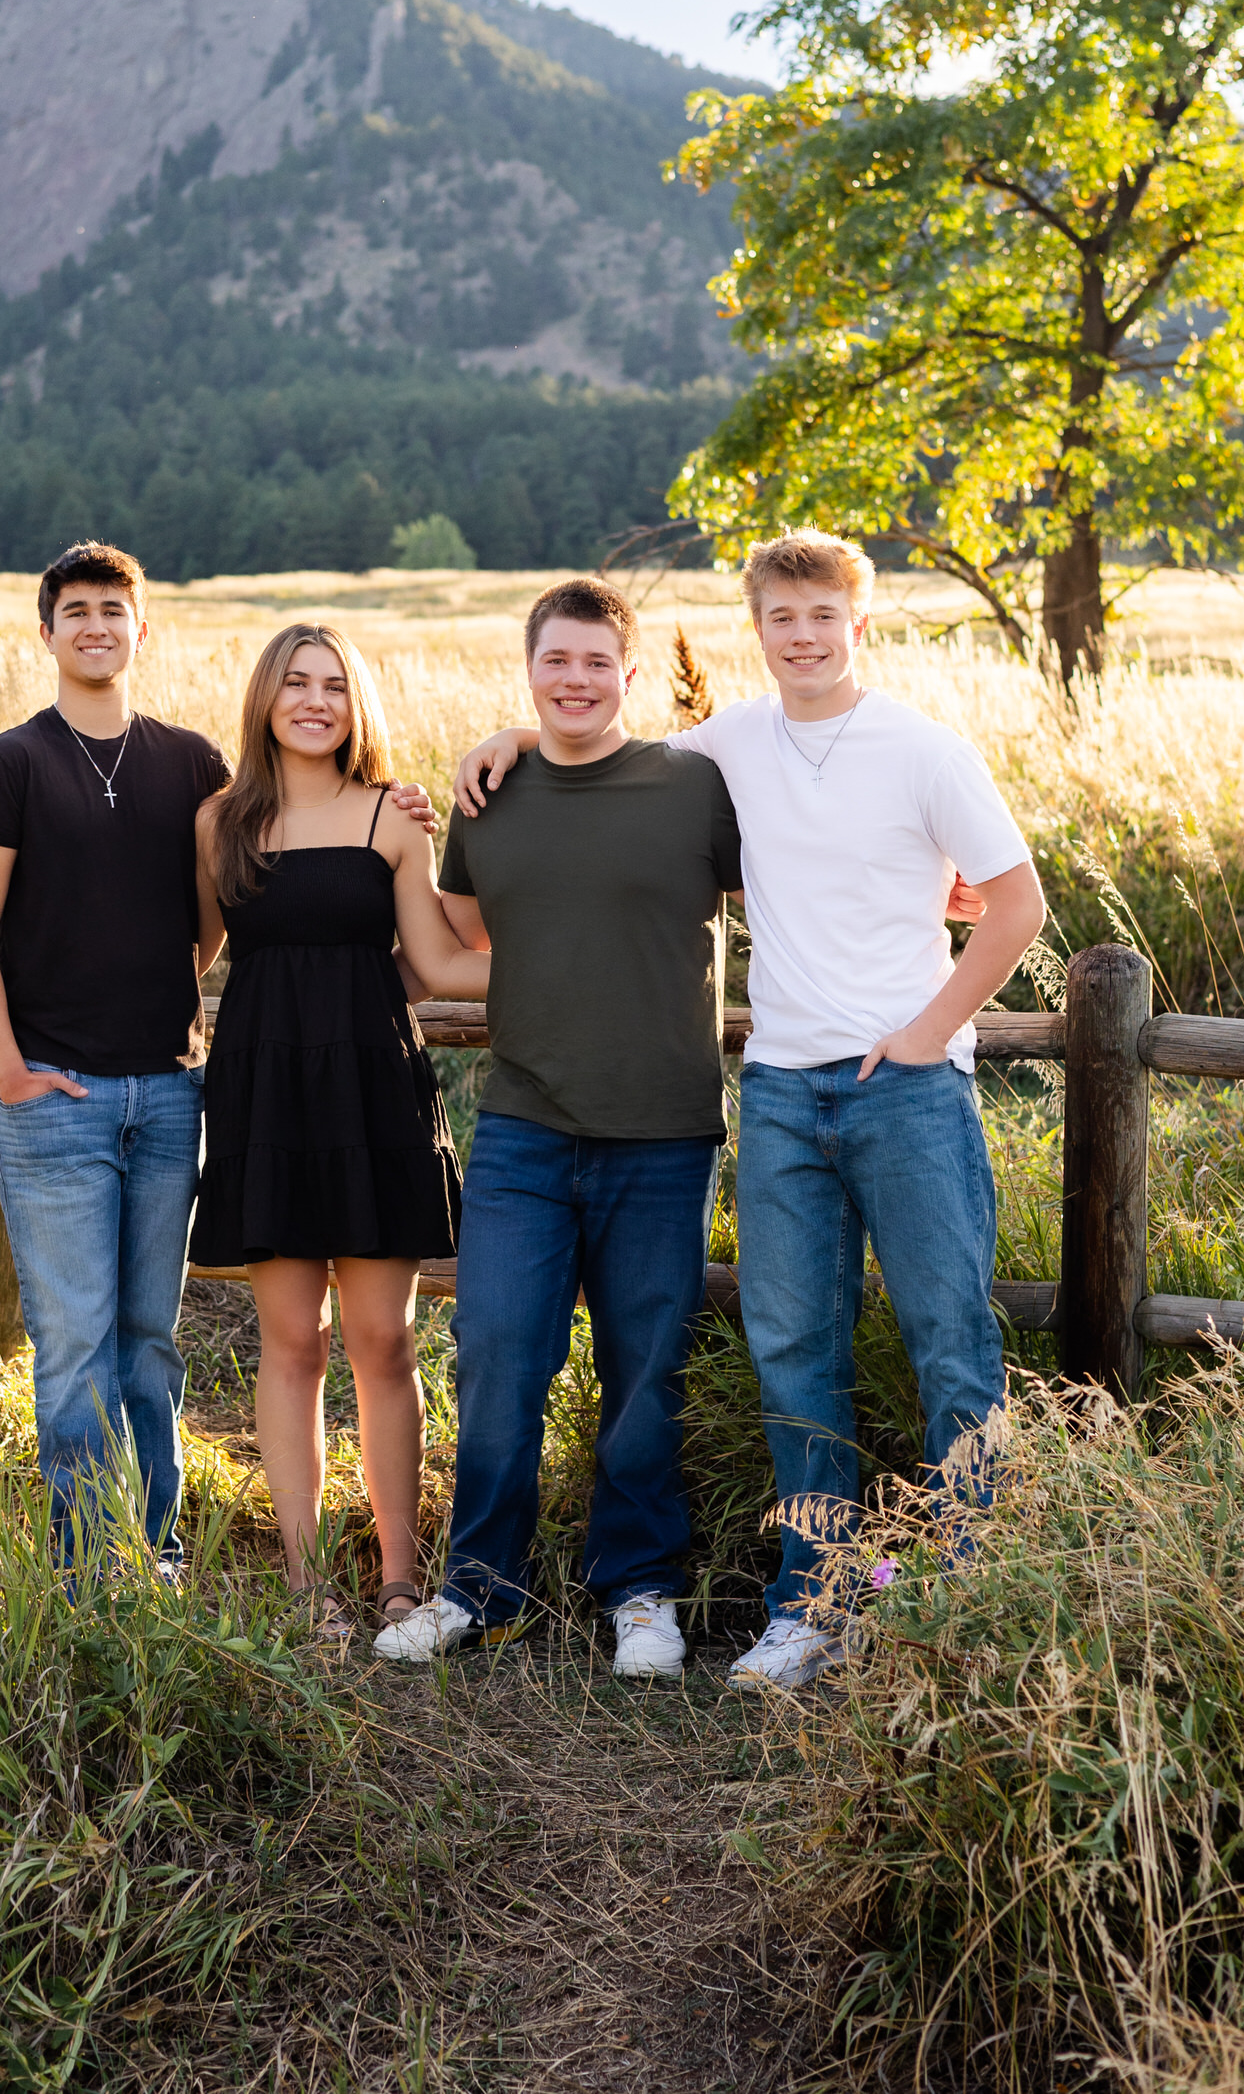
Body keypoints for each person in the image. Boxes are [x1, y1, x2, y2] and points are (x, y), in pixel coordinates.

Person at [454, 531, 1043, 1691]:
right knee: (792, 1353)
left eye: (823, 616)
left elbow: (1016, 907)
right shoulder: (725, 747)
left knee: (949, 1342)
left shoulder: (921, 747)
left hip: (910, 1091)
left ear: (855, 625)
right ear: (757, 628)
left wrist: (926, 1033)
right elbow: (600, 738)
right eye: (781, 617)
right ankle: (812, 1600)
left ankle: (978, 1591)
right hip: (778, 1090)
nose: (803, 637)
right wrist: (515, 735)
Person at [0, 545, 438, 1579]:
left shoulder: (226, 777)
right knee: (94, 1344)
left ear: (141, 628)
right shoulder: (49, 775)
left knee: (166, 1342)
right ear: (47, 633)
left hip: (221, 1092)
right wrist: (10, 1067)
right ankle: (100, 1563)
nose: (95, 626)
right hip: (112, 1094)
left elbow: (332, 933)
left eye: (113, 611)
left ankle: (176, 1549)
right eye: (74, 611)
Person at [375, 578, 745, 1681]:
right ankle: (480, 1588)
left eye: (597, 663)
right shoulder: (491, 797)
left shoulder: (696, 787)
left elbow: (804, 876)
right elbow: (473, 945)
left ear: (629, 676)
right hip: (525, 1127)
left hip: (662, 1131)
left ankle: (640, 1592)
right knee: (496, 1357)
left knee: (645, 1372)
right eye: (556, 661)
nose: (575, 680)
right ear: (527, 667)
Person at [188, 623, 490, 1638]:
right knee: (290, 1345)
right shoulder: (220, 823)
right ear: (265, 698)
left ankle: (400, 1574)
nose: (314, 701)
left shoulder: (391, 818)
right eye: (295, 684)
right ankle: (306, 1578)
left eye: (333, 686)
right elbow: (184, 960)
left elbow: (444, 968)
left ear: (355, 704)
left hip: (373, 1096)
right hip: (263, 1102)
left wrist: (591, 960)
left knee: (382, 1341)